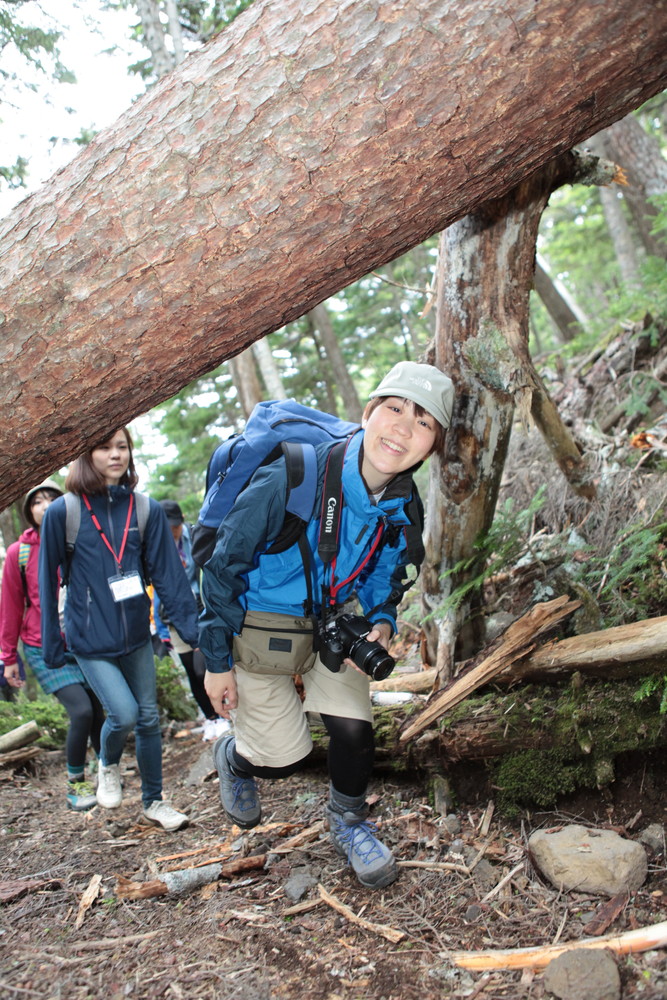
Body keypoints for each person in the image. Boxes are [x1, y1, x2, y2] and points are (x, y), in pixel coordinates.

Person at [200, 361, 454, 888]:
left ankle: (349, 822)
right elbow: (223, 567)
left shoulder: (402, 500)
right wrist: (216, 660)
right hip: (261, 616)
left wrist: (381, 620)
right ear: (368, 413)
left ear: (434, 445)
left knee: (354, 730)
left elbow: (390, 571)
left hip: (335, 613)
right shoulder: (295, 476)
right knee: (283, 759)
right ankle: (235, 758)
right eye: (395, 408)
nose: (403, 428)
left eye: (424, 422)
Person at [39, 429, 199, 832]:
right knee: (124, 713)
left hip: (136, 634)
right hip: (89, 638)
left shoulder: (145, 509)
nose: (116, 455)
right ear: (86, 455)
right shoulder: (64, 512)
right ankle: (107, 763)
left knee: (148, 718)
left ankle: (154, 801)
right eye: (105, 447)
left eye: (122, 447)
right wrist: (52, 642)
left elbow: (170, 575)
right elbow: (46, 580)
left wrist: (193, 631)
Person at [0, 482, 105, 810]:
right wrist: (8, 656)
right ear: (28, 511)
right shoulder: (20, 552)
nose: (45, 506)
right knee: (81, 711)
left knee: (98, 709)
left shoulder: (83, 539)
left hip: (86, 640)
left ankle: (107, 771)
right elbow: (11, 607)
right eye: (37, 501)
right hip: (43, 645)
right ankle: (76, 783)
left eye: (52, 499)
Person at [154, 499, 229, 742]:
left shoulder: (195, 535)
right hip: (174, 615)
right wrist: (160, 626)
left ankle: (224, 714)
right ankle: (211, 719)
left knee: (202, 667)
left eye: (174, 526)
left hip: (200, 609)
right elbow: (158, 589)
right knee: (190, 670)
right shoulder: (156, 545)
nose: (172, 531)